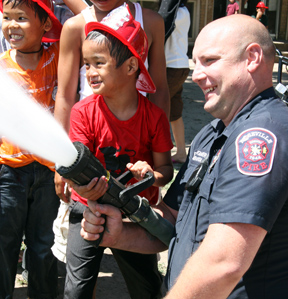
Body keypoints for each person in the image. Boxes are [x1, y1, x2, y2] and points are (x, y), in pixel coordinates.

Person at [81, 14, 288, 298]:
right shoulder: (211, 134)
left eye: (210, 60)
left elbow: (225, 263)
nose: (197, 74)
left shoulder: (262, 135)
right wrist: (119, 234)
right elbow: (170, 220)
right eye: (195, 63)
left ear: (252, 57)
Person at [62, 5, 173, 298]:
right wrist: (81, 185)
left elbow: (166, 171)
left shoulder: (155, 117)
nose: (90, 72)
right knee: (76, 289)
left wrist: (151, 175)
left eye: (98, 63)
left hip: (135, 215)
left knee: (146, 288)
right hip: (89, 208)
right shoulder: (82, 112)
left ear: (131, 67)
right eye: (86, 64)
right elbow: (79, 167)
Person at [0, 0, 62, 298]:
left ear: (46, 24)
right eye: (6, 17)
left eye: (22, 17)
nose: (12, 24)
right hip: (7, 170)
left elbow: (88, 23)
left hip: (49, 172)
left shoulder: (59, 56)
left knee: (43, 245)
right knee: (3, 240)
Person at [53, 0, 169, 146]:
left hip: (139, 138)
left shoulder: (151, 22)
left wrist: (160, 143)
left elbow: (160, 89)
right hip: (89, 138)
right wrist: (62, 153)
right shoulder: (74, 26)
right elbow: (65, 96)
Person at [163, 0, 190, 164]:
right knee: (174, 112)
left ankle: (159, 153)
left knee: (157, 110)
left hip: (169, 66)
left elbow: (163, 25)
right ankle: (180, 151)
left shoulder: (172, 13)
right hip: (181, 65)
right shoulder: (184, 11)